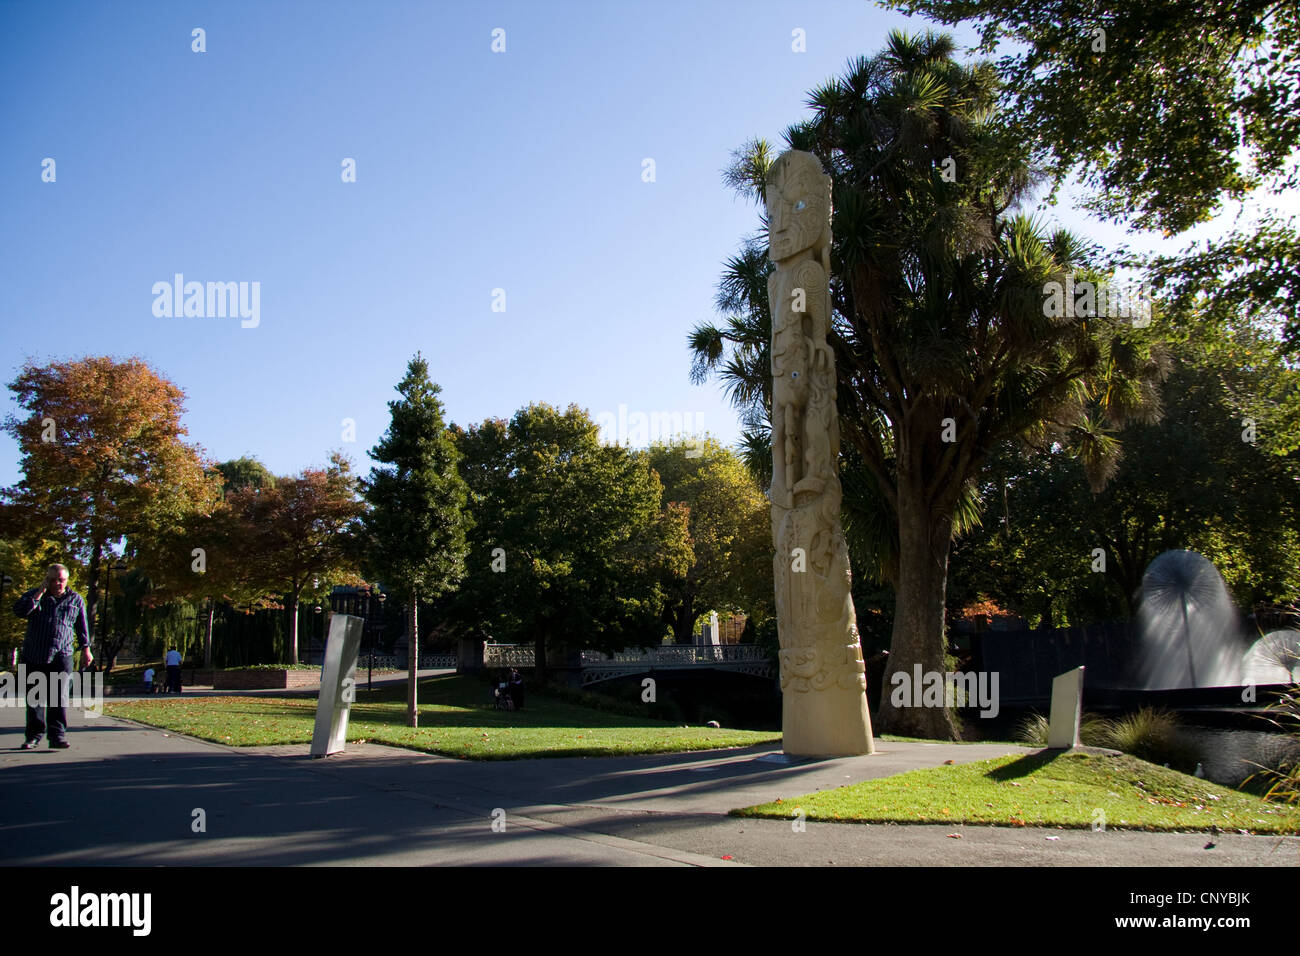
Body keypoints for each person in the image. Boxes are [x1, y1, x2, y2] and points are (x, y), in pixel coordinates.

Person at [13, 564, 90, 749]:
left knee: (59, 697)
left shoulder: (76, 599)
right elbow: (20, 611)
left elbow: (82, 627)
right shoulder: (34, 595)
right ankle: (33, 736)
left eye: (61, 579)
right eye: (53, 579)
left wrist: (86, 649)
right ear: (47, 579)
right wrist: (39, 592)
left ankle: (57, 735)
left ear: (67, 580)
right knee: (34, 698)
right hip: (34, 653)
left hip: (62, 654)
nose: (57, 583)